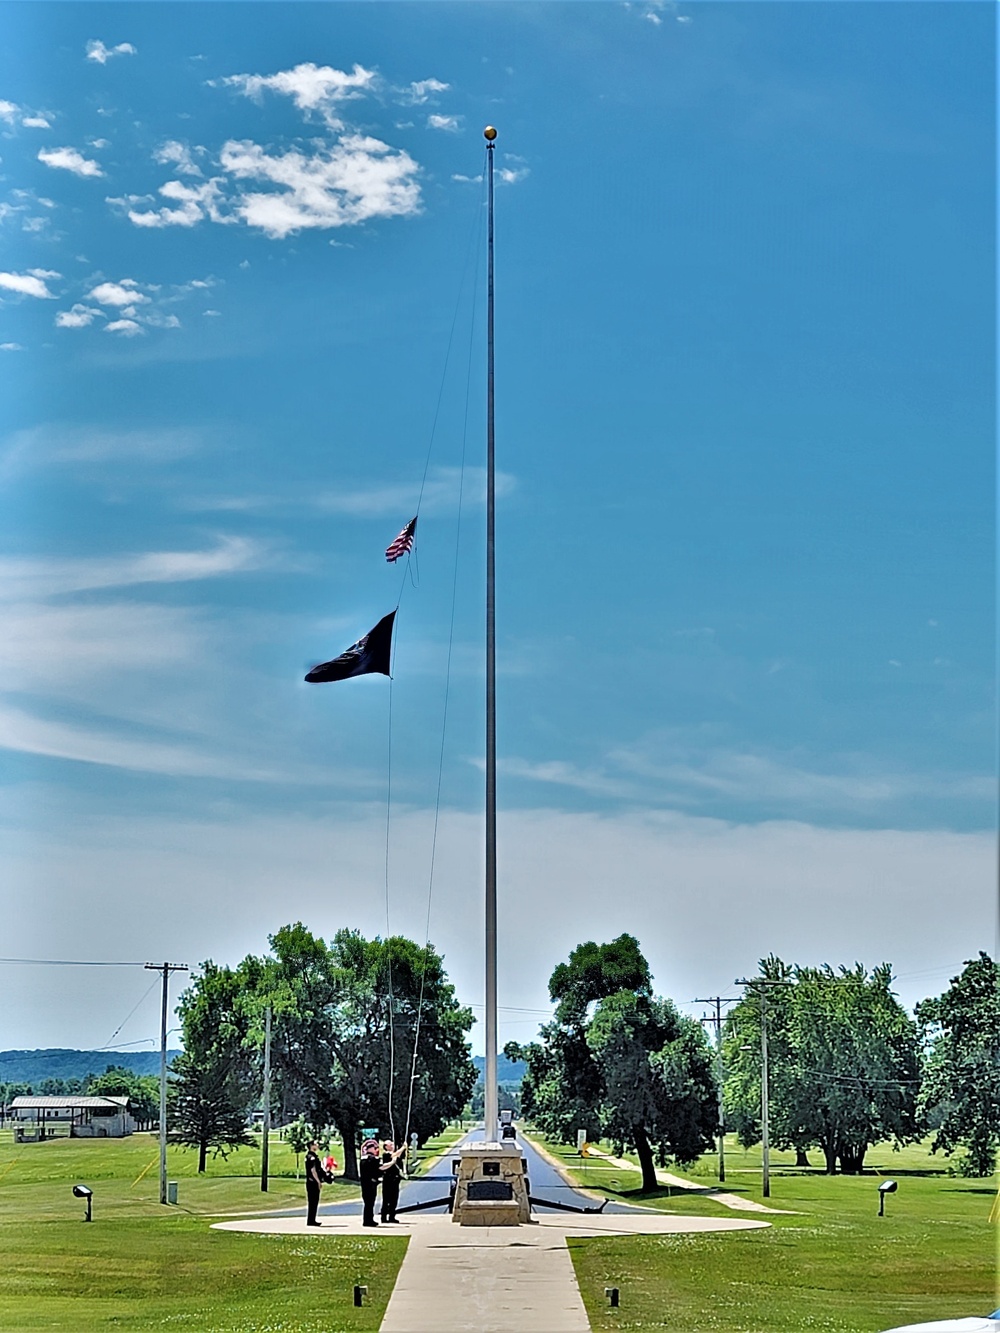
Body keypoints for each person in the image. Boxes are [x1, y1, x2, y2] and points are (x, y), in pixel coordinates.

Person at [304, 1140, 331, 1226]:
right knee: (313, 1201)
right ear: (312, 1146)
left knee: (313, 1202)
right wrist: (318, 1181)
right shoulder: (311, 1157)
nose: (318, 1145)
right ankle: (311, 1221)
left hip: (311, 1181)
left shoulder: (311, 1156)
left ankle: (311, 1219)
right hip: (312, 1182)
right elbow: (313, 1170)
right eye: (316, 1144)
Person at [380, 1140, 406, 1223]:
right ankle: (384, 1217)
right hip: (388, 1180)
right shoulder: (386, 1154)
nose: (392, 1145)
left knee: (394, 1199)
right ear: (386, 1146)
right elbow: (394, 1155)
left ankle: (392, 1216)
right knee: (386, 1199)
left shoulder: (394, 1155)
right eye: (390, 1144)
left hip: (395, 1179)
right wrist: (403, 1147)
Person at [359, 1138, 381, 1227]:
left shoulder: (363, 1158)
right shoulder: (371, 1158)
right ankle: (368, 1221)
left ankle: (368, 1219)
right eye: (373, 1148)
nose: (374, 1149)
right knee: (370, 1202)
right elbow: (378, 1168)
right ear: (369, 1149)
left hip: (365, 1183)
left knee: (368, 1203)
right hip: (370, 1183)